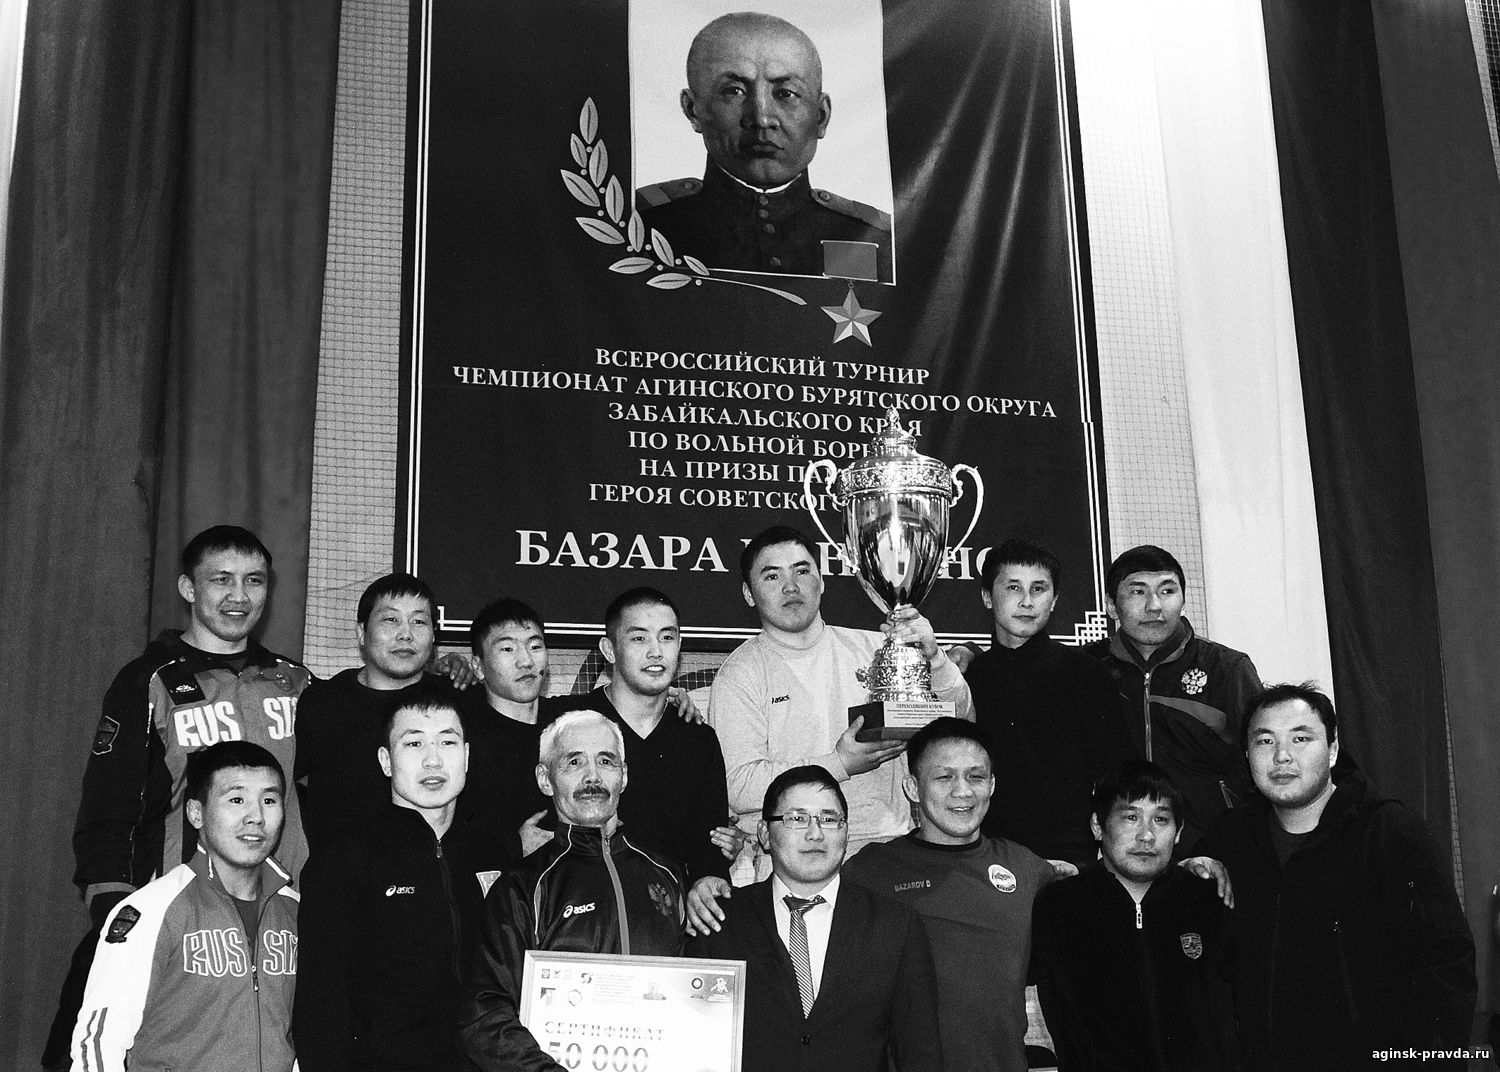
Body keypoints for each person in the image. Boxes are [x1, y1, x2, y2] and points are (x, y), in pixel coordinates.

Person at [50, 526, 311, 1068]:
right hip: (179, 912)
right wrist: (113, 904)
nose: (239, 596)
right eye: (221, 580)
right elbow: (110, 799)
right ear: (189, 588)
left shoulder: (296, 682)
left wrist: (449, 682)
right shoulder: (149, 680)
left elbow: (371, 740)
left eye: (254, 581)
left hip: (280, 917)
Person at [1194, 683, 1476, 1069]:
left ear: (1333, 749)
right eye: (1265, 741)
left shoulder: (1389, 833)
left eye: (1300, 738)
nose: (1281, 756)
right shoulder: (1231, 838)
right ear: (1246, 754)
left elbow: (1447, 965)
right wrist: (1190, 867)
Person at [706, 525, 972, 888]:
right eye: (772, 576)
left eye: (802, 571)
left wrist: (936, 660)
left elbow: (961, 726)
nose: (791, 586)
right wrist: (838, 764)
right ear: (748, 594)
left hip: (890, 854)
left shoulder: (877, 648)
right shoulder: (739, 674)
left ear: (822, 580)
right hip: (795, 863)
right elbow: (738, 787)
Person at [296, 684, 507, 1072]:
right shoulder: (343, 862)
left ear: (466, 756)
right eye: (413, 744)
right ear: (386, 760)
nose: (433, 760)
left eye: (447, 742)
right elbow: (320, 1004)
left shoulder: (496, 853)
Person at [460, 710, 685, 1071]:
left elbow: (690, 996)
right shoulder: (521, 887)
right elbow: (485, 1016)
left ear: (624, 775)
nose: (592, 776)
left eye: (606, 761)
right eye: (574, 762)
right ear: (545, 779)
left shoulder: (666, 875)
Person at [841, 717, 1066, 1072]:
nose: (963, 791)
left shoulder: (1026, 867)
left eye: (976, 777)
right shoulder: (870, 872)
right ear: (912, 788)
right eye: (944, 777)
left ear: (992, 784)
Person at [688, 765, 941, 1072]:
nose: (815, 833)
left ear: (846, 832)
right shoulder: (718, 920)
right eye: (797, 819)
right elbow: (694, 1045)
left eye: (829, 819)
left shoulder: (894, 925)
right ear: (765, 834)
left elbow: (920, 1053)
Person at [70, 741, 299, 1072]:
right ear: (196, 813)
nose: (256, 817)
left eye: (269, 800)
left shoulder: (297, 912)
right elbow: (99, 1040)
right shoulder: (151, 910)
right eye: (236, 800)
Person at [637, 12, 892, 281]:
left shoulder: (873, 235)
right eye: (734, 91)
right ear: (693, 109)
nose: (761, 118)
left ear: (821, 116)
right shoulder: (641, 223)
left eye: (786, 94)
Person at [1031, 760, 1237, 1071]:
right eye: (1131, 817)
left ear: (1179, 832)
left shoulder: (1208, 900)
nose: (1146, 836)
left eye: (1161, 819)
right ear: (1097, 826)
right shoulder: (1059, 906)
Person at [548, 587, 740, 898]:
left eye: (667, 637)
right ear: (609, 650)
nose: (656, 651)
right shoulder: (565, 723)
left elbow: (709, 852)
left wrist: (707, 882)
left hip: (668, 916)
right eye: (639, 638)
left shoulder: (697, 739)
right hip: (574, 909)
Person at [960, 538, 1133, 867]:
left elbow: (1118, 774)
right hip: (982, 852)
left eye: (1038, 589)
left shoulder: (1086, 674)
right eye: (1013, 587)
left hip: (1068, 857)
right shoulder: (969, 678)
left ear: (1053, 601)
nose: (1027, 601)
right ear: (987, 596)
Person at [1082, 545, 1261, 849]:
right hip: (1117, 851)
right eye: (1138, 592)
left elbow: (1260, 760)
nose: (1154, 606)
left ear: (1183, 600)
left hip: (1213, 849)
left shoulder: (1226, 668)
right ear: (1111, 606)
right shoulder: (1086, 669)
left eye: (1167, 591)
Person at [295, 572, 462, 851]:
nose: (405, 634)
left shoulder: (456, 699)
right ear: (362, 632)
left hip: (435, 867)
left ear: (434, 634)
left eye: (419, 621)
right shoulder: (322, 702)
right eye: (390, 620)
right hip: (341, 869)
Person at [459, 596, 571, 863]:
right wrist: (512, 847)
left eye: (535, 646)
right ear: (478, 667)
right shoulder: (462, 739)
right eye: (508, 649)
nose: (526, 661)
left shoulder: (568, 723)